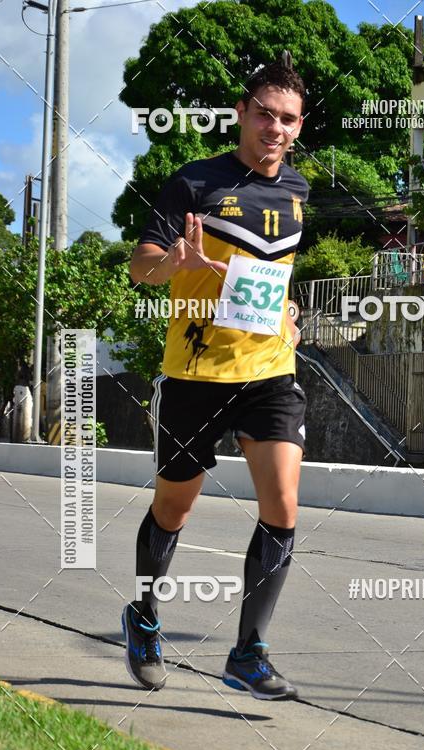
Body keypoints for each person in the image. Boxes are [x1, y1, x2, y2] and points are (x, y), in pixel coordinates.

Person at [122, 55, 309, 701]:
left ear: (299, 126)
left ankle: (248, 653)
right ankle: (144, 617)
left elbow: (272, 273)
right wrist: (175, 261)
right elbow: (140, 267)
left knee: (282, 506)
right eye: (265, 115)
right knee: (173, 509)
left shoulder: (298, 191)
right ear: (241, 115)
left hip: (270, 372)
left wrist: (288, 311)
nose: (274, 128)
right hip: (195, 374)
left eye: (287, 119)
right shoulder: (193, 182)